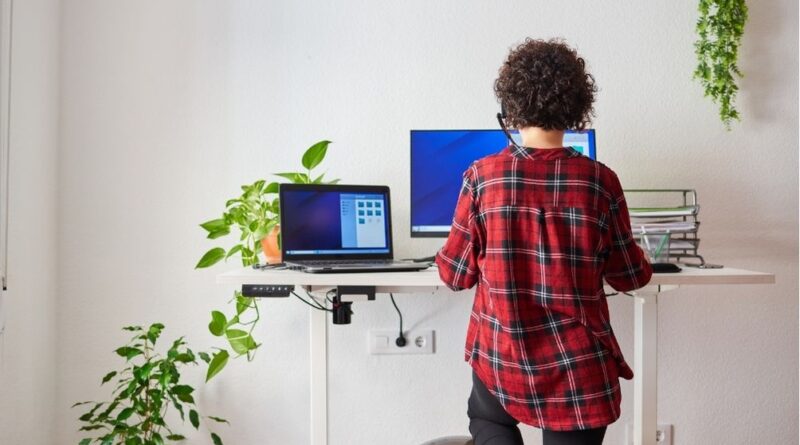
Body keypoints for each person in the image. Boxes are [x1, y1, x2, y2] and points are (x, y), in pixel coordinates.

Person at [435, 38, 653, 445]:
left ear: (511, 107)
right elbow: (630, 277)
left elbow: (456, 275)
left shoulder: (483, 177)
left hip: (504, 359)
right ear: (576, 106)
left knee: (489, 422)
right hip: (579, 371)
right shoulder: (600, 181)